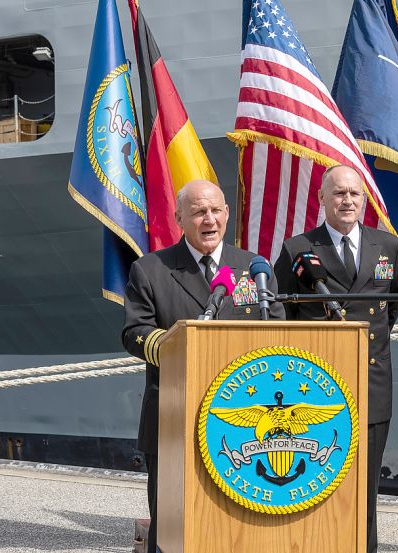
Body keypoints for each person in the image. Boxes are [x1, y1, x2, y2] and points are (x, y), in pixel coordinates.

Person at [121, 179, 285, 553]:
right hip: (174, 417)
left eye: (215, 210)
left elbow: (278, 327)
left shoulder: (254, 269)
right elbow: (134, 332)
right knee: (174, 528)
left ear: (227, 214)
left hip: (242, 421)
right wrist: (175, 347)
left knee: (239, 524)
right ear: (180, 218)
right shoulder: (151, 270)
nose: (208, 219)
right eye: (198, 212)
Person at [273, 164, 398, 553]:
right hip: (314, 387)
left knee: (365, 486)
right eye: (339, 193)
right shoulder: (298, 248)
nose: (348, 200)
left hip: (371, 381)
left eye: (354, 194)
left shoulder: (389, 246)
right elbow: (282, 314)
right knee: (314, 479)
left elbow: (390, 308)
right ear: (322, 200)